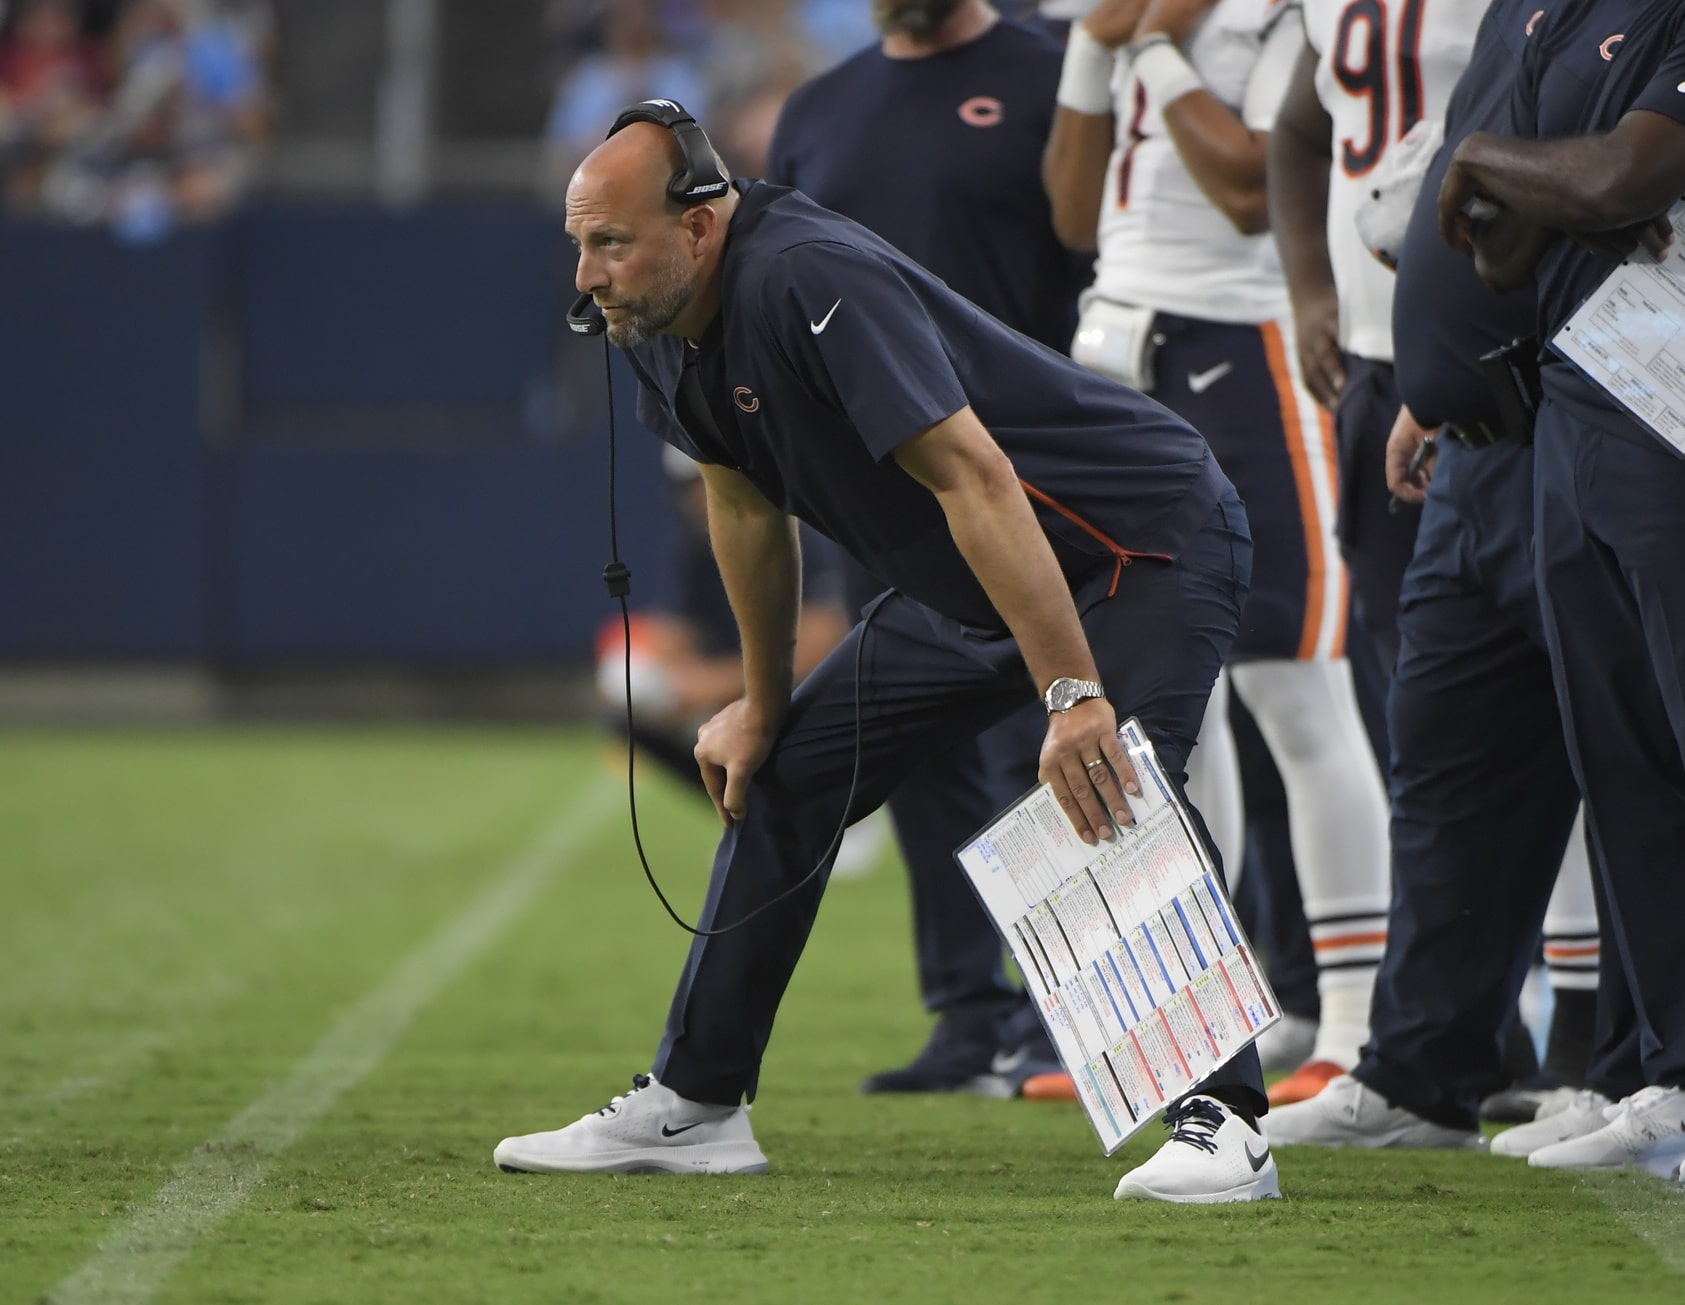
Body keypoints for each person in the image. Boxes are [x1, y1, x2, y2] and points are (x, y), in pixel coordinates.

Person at [496, 101, 1279, 1203]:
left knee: (1105, 785)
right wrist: (764, 703)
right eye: (579, 246)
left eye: (610, 242)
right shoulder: (654, 323)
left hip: (1132, 545)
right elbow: (743, 509)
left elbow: (975, 477)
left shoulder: (807, 277)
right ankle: (696, 1105)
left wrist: (1067, 692)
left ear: (700, 226)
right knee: (783, 777)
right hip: (973, 584)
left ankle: (1226, 1122)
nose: (588, 276)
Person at [1262, 0, 1640, 1154]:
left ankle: (1634, 1074)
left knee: (1630, 759)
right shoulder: (1530, 18)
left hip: (1594, 416)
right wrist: (1431, 374)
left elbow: (1587, 186)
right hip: (1467, 431)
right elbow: (1359, 146)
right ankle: (1420, 1073)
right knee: (1444, 749)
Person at [1042, 0, 1392, 1110]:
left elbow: (1249, 191)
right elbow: (1068, 211)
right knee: (1158, 710)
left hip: (1242, 350)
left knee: (1295, 684)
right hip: (1115, 349)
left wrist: (1144, 44)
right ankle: (1189, 1012)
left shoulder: (1279, 11)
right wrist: (1099, 46)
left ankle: (1352, 1024)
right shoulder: (1109, 15)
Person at [763, 0, 1088, 1095]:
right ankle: (967, 1014)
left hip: (1022, 469)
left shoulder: (1050, 73)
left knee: (1029, 747)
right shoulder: (820, 106)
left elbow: (1094, 249)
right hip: (880, 486)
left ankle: (1067, 1020)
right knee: (914, 758)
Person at [1435, 0, 1685, 1179]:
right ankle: (1651, 1069)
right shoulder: (1558, 16)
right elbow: (1502, 239)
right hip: (1593, 384)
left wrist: (1489, 159)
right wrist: (1522, 181)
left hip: (1668, 396)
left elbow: (1618, 179)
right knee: (1623, 761)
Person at [1268, 0, 1486, 673]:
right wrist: (1308, 290)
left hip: (1503, 366)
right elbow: (1298, 133)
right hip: (1376, 361)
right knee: (1409, 656)